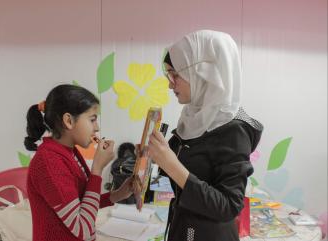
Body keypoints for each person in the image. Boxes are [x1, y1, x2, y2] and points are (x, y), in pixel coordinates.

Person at [148, 30, 263, 241]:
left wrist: (171, 164)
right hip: (182, 226)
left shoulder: (233, 129)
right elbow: (183, 172)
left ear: (203, 72)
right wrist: (149, 158)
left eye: (175, 74)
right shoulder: (194, 119)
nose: (170, 83)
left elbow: (229, 206)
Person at [25, 84, 134, 241]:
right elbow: (82, 227)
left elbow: (83, 205)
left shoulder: (69, 152)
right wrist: (97, 169)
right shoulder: (49, 162)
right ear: (68, 120)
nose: (97, 127)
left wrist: (117, 195)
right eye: (92, 119)